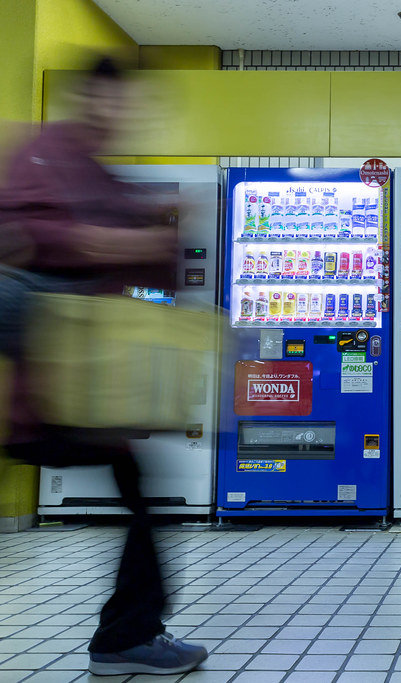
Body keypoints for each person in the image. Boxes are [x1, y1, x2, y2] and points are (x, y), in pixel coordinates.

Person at [0, 57, 208, 676]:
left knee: (144, 495)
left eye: (131, 104)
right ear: (89, 97)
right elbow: (31, 237)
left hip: (87, 386)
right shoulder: (46, 155)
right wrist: (138, 240)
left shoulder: (99, 174)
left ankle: (127, 636)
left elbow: (151, 278)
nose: (123, 115)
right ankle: (125, 639)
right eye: (114, 101)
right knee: (144, 498)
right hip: (56, 388)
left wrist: (162, 236)